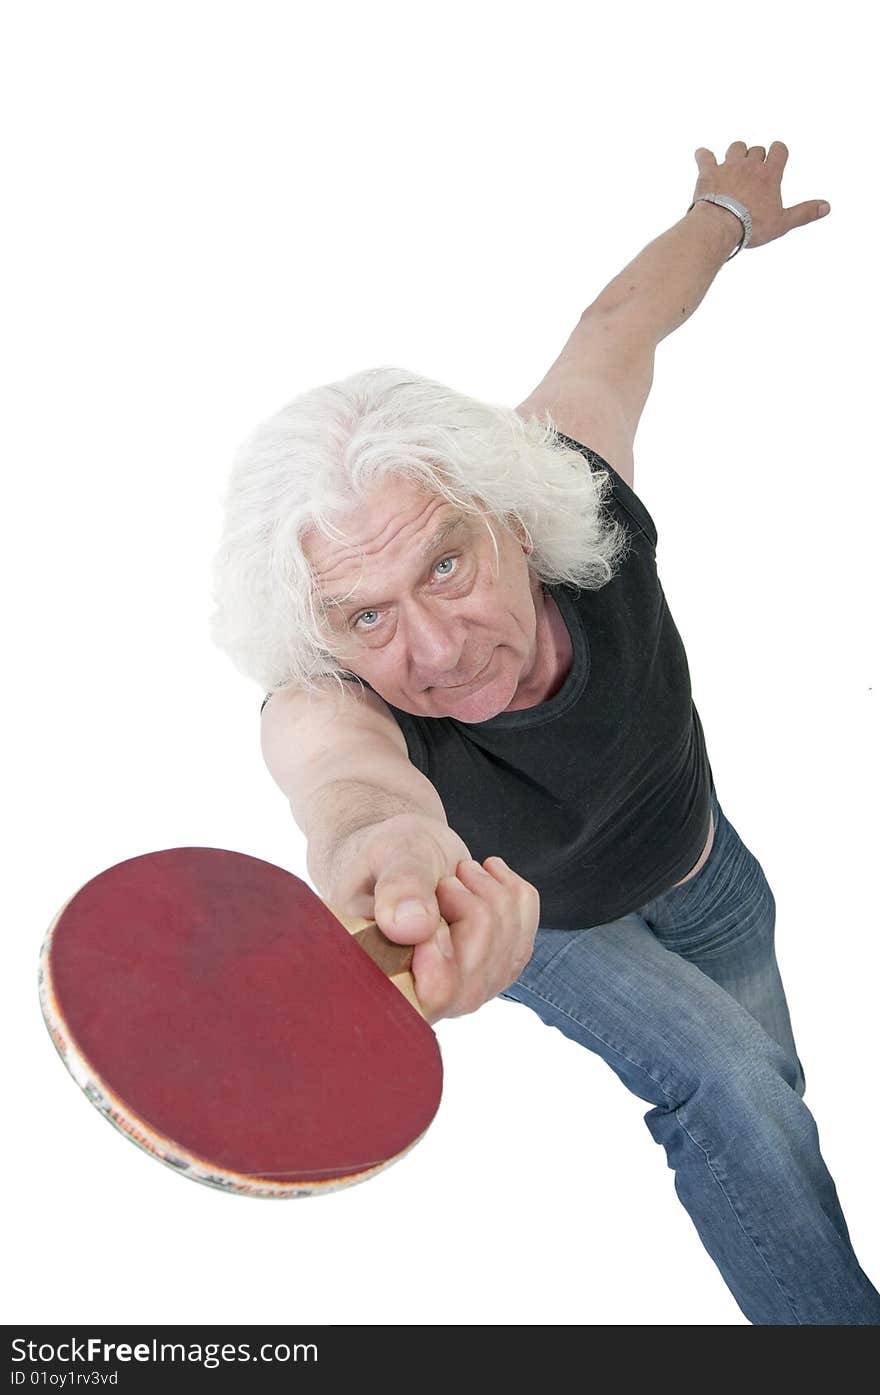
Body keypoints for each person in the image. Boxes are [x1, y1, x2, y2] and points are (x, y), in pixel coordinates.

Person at [209, 141, 880, 1324]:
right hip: (546, 922)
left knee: (770, 1088)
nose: (431, 647)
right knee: (726, 1086)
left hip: (707, 871)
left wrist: (724, 211)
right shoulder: (334, 694)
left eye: (446, 565)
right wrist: (390, 852)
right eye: (367, 615)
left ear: (512, 517)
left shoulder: (575, 478)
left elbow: (621, 320)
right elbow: (344, 784)